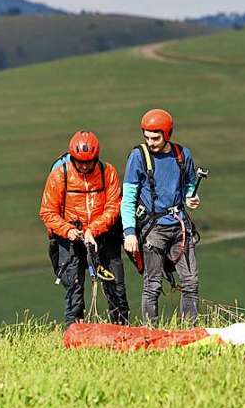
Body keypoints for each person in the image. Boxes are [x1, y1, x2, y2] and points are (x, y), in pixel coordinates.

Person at [40, 131, 129, 327]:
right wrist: (68, 230)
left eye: (89, 161)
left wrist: (93, 230)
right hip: (70, 238)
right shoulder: (59, 176)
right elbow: (47, 212)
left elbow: (114, 206)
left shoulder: (108, 173)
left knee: (116, 287)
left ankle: (122, 330)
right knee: (74, 288)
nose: (84, 166)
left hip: (103, 237)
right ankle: (74, 332)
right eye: (79, 161)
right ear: (72, 157)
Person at [121, 109, 202, 324]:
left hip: (180, 226)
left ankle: (189, 330)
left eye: (155, 138)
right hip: (153, 230)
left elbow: (190, 184)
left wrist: (191, 198)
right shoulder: (138, 156)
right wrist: (129, 232)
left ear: (167, 135)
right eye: (146, 137)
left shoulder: (182, 155)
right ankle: (151, 332)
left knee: (190, 282)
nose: (151, 142)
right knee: (152, 285)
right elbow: (128, 197)